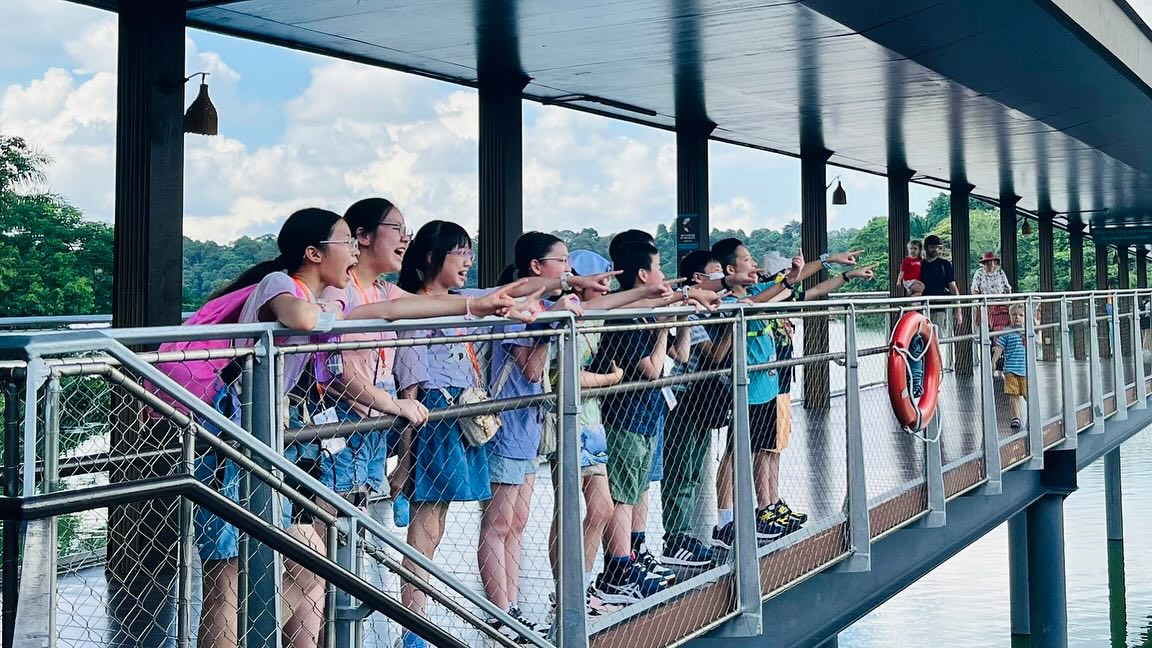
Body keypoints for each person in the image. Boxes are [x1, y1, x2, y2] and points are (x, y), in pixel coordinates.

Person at [391, 221, 545, 648]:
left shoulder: (461, 303)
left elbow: (516, 290)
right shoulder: (417, 307)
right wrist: (405, 460)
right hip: (435, 416)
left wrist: (567, 283)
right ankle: (413, 629)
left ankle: (415, 624)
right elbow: (411, 386)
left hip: (456, 414)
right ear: (431, 257)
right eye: (458, 252)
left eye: (469, 252)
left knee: (434, 526)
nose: (467, 261)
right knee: (425, 528)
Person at [707, 240, 863, 548]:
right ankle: (728, 520)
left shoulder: (756, 291)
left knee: (763, 450)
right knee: (736, 453)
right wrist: (790, 277)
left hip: (768, 387)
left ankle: (765, 509)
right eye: (747, 260)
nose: (753, 264)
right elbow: (761, 299)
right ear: (730, 269)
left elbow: (792, 286)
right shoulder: (729, 300)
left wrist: (828, 263)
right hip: (748, 389)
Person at [478, 232, 584, 635]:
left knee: (518, 521)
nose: (567, 268)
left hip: (527, 427)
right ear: (536, 267)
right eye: (562, 260)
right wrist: (549, 325)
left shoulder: (540, 308)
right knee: (498, 522)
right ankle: (499, 610)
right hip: (505, 426)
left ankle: (513, 606)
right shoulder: (518, 310)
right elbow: (533, 369)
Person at [590, 241, 692, 603]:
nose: (663, 274)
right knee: (622, 495)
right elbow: (652, 369)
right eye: (659, 267)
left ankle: (632, 557)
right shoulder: (627, 317)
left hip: (648, 416)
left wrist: (680, 319)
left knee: (635, 491)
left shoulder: (647, 312)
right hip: (626, 417)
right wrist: (663, 329)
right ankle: (618, 570)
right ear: (643, 274)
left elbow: (681, 354)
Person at [658, 251, 733, 568]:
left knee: (694, 470)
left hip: (705, 399)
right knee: (680, 467)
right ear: (698, 279)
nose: (722, 278)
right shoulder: (691, 312)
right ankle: (675, 536)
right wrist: (734, 326)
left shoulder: (714, 308)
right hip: (685, 396)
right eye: (717, 272)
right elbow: (713, 355)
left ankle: (685, 534)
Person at [992, 303, 1029, 430]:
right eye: (1014, 315)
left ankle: (1032, 411)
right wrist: (994, 361)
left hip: (1025, 370)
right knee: (1013, 395)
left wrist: (1036, 325)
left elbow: (1038, 342)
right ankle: (1016, 418)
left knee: (1027, 393)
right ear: (1010, 316)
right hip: (1010, 370)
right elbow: (999, 348)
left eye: (1021, 315)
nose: (1017, 317)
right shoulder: (1007, 332)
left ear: (1025, 317)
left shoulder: (1028, 331)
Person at [971, 251, 1012, 330]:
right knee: (983, 328)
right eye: (986, 262)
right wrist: (978, 307)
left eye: (991, 261)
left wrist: (1008, 305)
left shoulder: (1000, 272)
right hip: (984, 305)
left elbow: (1008, 289)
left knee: (1000, 327)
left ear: (995, 262)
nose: (989, 263)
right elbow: (974, 290)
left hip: (1000, 305)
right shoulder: (979, 273)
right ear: (983, 263)